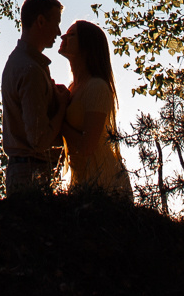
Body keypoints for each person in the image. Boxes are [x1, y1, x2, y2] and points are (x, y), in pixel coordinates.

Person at [57, 19, 134, 200]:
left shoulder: (97, 87)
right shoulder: (72, 88)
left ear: (87, 46)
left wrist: (59, 118)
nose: (63, 37)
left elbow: (87, 146)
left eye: (71, 34)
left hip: (104, 181)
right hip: (82, 177)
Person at [0, 0, 67, 195]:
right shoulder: (30, 70)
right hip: (32, 175)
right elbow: (39, 140)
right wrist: (62, 106)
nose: (58, 32)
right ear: (40, 21)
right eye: (56, 23)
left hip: (25, 170)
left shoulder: (23, 63)